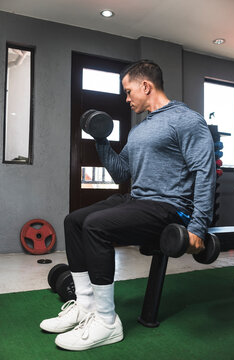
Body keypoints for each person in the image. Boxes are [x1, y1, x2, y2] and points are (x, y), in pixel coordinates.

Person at [40, 60, 216, 351]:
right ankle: (86, 307)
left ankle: (107, 323)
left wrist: (198, 225)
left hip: (168, 205)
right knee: (74, 221)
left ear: (145, 86)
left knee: (96, 226)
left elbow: (204, 170)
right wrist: (101, 141)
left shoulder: (186, 120)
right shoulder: (139, 130)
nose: (126, 98)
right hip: (137, 199)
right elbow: (122, 172)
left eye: (128, 90)